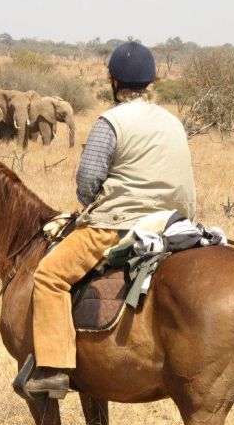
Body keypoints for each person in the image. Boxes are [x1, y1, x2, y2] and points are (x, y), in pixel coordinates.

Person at [24, 42, 196, 398]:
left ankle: (53, 368)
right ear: (151, 80)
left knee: (49, 276)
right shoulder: (173, 121)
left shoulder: (110, 122)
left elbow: (87, 182)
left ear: (113, 81)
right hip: (174, 226)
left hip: (118, 226)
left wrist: (92, 205)